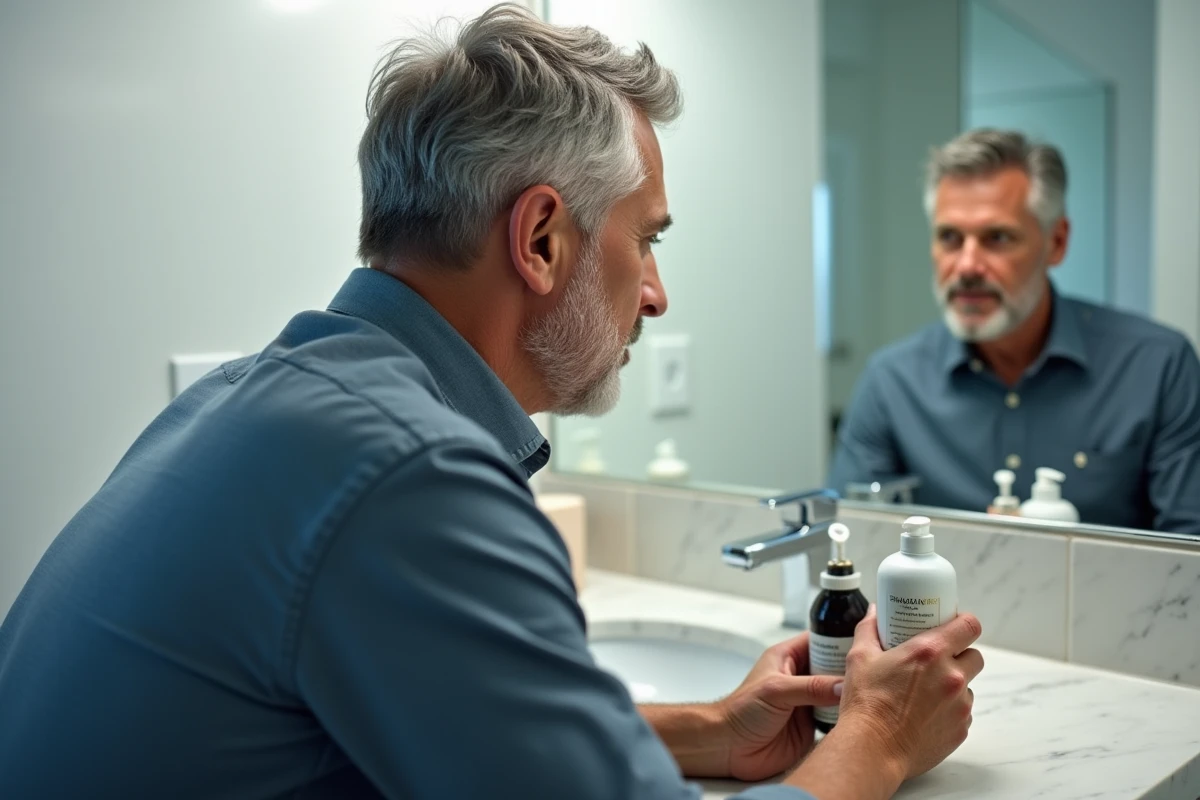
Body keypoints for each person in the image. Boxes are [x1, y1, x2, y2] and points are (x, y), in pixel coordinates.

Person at [0, 6, 982, 799]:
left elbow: (407, 717)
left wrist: (710, 731)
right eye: (648, 240)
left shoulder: (247, 404)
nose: (656, 293)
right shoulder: (410, 473)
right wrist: (878, 742)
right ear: (543, 238)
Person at [828, 128, 1200, 533]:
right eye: (950, 237)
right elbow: (849, 540)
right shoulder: (892, 382)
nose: (967, 265)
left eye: (997, 238)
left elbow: (1189, 552)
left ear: (1056, 242)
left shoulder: (1157, 367)